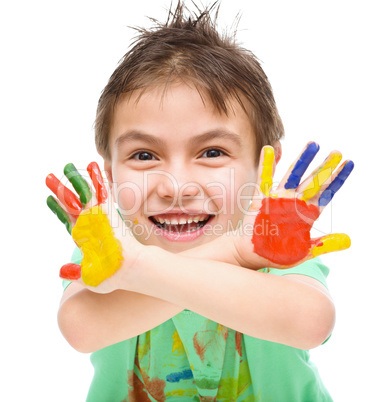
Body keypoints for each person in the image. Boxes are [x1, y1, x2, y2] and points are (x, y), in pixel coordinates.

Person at [47, 1, 354, 400]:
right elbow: (81, 328)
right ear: (110, 173)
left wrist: (146, 268)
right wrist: (231, 253)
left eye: (212, 153)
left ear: (265, 166)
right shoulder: (109, 246)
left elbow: (311, 322)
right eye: (144, 155)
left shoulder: (273, 241)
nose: (176, 186)